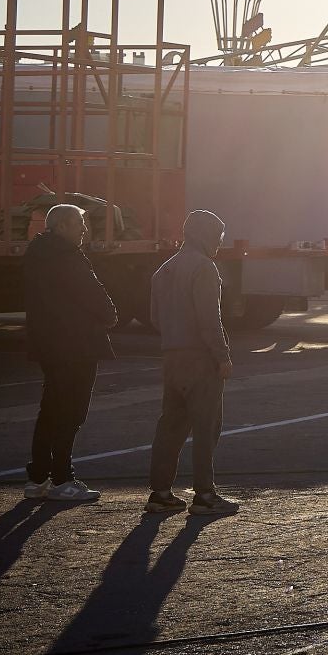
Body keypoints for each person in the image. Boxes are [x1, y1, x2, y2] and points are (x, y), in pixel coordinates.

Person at [21, 203, 118, 503]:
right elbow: (92, 292)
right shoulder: (67, 256)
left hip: (48, 344)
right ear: (62, 226)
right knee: (72, 412)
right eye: (78, 223)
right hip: (77, 344)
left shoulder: (36, 255)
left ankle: (38, 477)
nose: (84, 229)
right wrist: (110, 314)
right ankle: (63, 478)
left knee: (51, 408)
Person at [145, 210, 238, 516]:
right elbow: (209, 320)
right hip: (200, 358)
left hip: (172, 357)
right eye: (218, 236)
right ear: (206, 235)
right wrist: (222, 356)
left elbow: (155, 318)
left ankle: (160, 492)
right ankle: (205, 495)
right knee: (206, 427)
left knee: (170, 426)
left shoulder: (164, 269)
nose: (220, 243)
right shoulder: (205, 268)